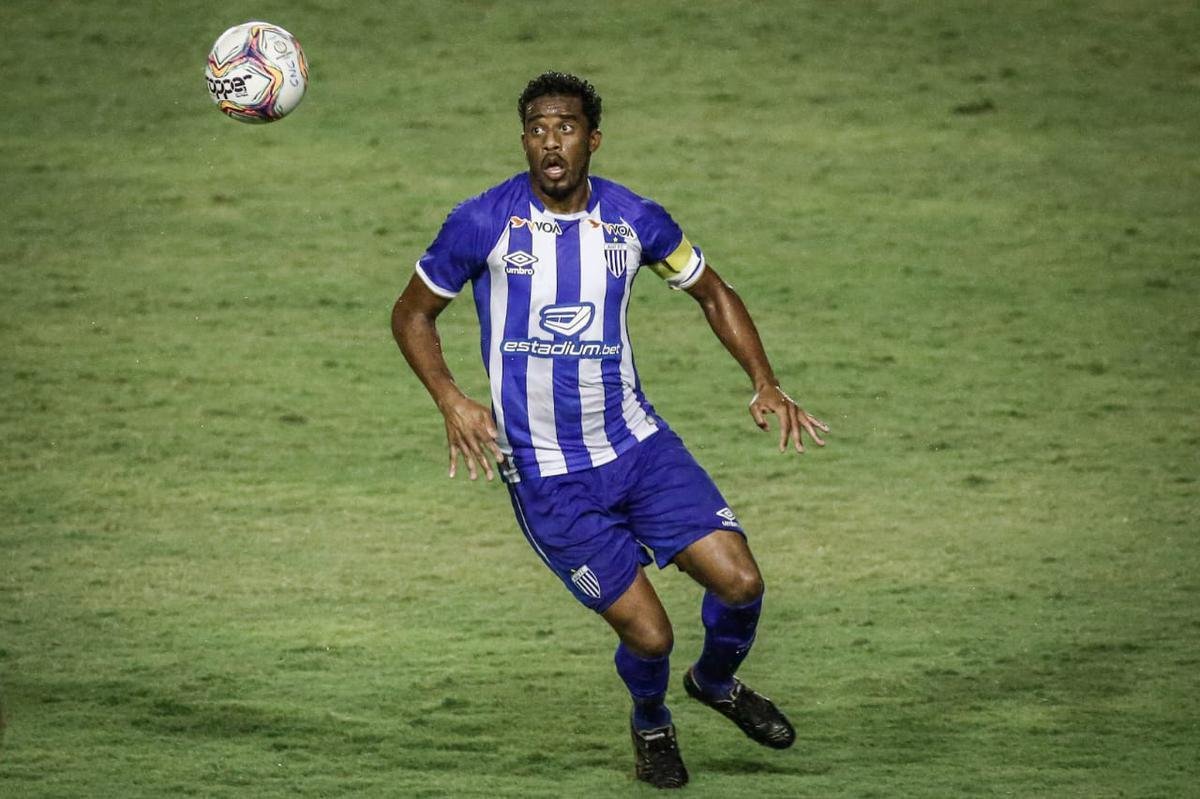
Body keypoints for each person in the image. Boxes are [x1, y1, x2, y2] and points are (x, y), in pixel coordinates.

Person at [391, 71, 828, 789]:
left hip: (638, 446)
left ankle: (716, 683)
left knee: (743, 582)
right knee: (650, 634)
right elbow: (411, 312)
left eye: (564, 127)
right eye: (536, 128)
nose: (549, 142)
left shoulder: (634, 220)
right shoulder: (482, 222)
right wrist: (450, 398)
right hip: (548, 475)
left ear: (592, 140)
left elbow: (712, 290)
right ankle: (652, 720)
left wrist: (765, 380)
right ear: (524, 140)